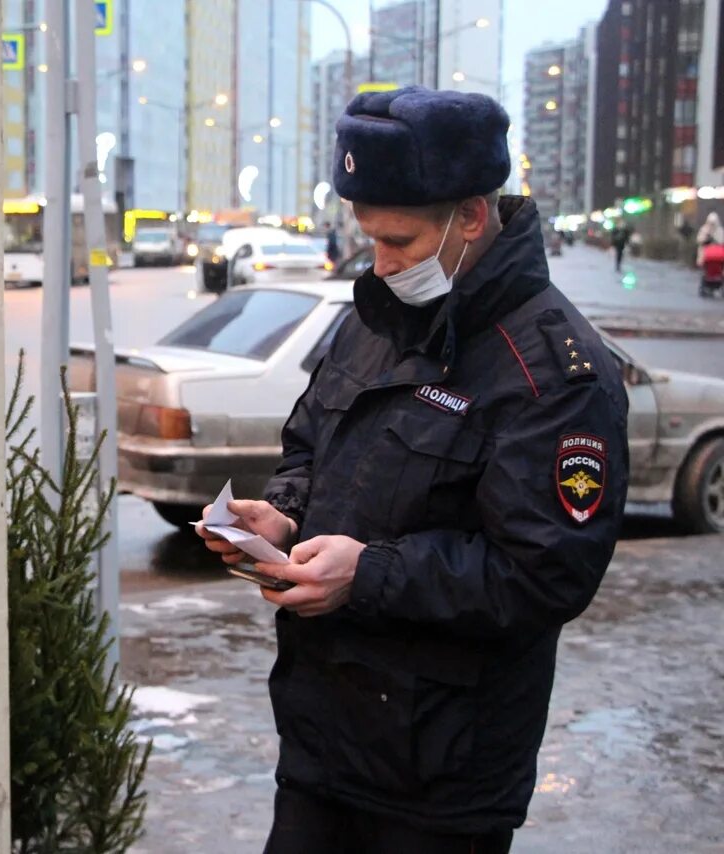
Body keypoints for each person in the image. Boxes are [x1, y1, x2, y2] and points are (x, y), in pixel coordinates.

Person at [198, 86, 628, 854]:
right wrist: (284, 514)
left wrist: (368, 575)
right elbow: (311, 446)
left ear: (471, 216)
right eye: (369, 237)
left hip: (442, 782)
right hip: (323, 745)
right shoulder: (375, 321)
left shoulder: (554, 373)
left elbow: (545, 574)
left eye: (399, 240)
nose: (381, 262)